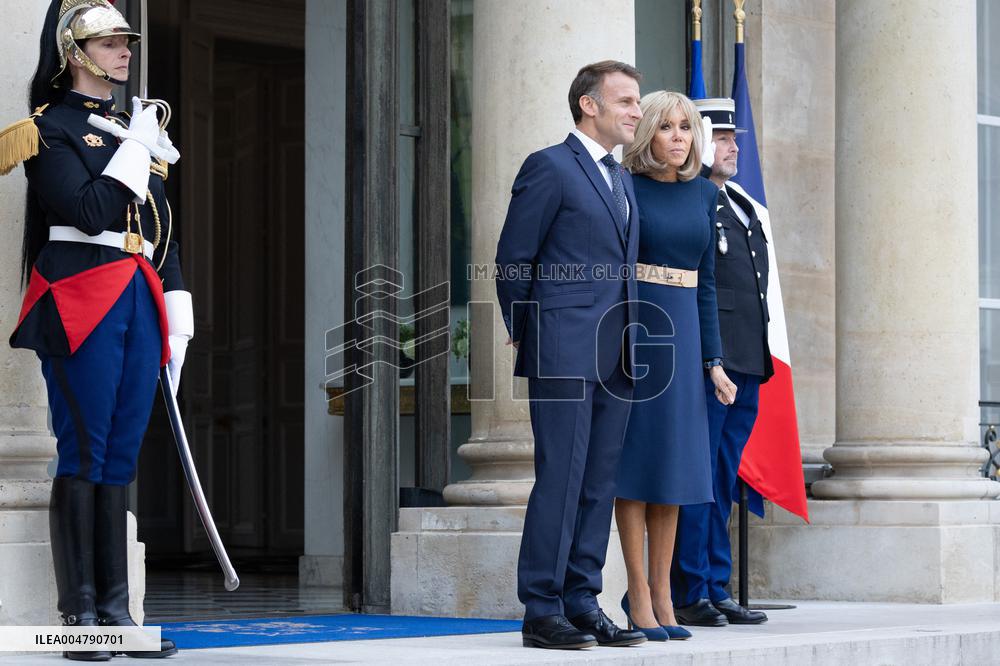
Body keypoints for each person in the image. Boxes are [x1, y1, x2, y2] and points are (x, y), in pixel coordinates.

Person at [0, 0, 190, 659]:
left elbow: (160, 231)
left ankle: (117, 616)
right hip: (81, 295)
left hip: (138, 296)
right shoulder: (47, 130)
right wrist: (135, 146)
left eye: (126, 41)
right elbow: (89, 211)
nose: (125, 51)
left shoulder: (128, 129)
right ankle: (79, 617)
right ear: (74, 53)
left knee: (120, 456)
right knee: (85, 449)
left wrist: (180, 306)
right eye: (110, 42)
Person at [495, 60, 646, 650]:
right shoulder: (550, 166)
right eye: (627, 101)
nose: (637, 111)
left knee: (598, 481)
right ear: (590, 105)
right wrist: (528, 328)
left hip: (620, 351)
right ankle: (541, 608)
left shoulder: (623, 178)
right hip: (562, 347)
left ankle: (584, 600)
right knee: (560, 477)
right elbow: (513, 258)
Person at [613, 90, 737, 642]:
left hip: (686, 336)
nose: (680, 137)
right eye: (667, 127)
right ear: (648, 135)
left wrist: (714, 360)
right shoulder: (624, 189)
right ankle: (637, 592)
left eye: (687, 127)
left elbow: (706, 282)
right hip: (637, 332)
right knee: (636, 471)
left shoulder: (703, 199)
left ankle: (665, 595)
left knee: (675, 473)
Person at [671, 97, 772, 627]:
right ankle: (693, 587)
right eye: (725, 138)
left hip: (746, 360)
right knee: (701, 476)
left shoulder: (740, 203)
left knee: (725, 476)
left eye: (735, 139)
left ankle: (717, 584)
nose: (735, 147)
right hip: (712, 361)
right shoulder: (694, 202)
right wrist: (710, 359)